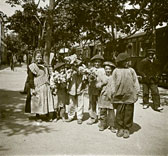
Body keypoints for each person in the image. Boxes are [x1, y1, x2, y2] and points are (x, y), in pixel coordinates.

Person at [106, 53, 140, 138]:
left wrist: (137, 92)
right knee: (119, 112)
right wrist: (112, 92)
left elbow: (135, 81)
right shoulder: (116, 71)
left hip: (129, 95)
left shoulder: (131, 70)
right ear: (120, 62)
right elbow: (112, 83)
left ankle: (126, 128)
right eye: (125, 61)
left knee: (128, 112)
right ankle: (120, 128)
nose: (127, 63)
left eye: (128, 61)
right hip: (119, 95)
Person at [25, 51, 54, 121]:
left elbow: (48, 75)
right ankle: (37, 115)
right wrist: (32, 88)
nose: (39, 58)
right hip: (37, 86)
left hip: (46, 86)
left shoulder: (45, 65)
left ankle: (46, 114)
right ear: (34, 57)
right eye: (37, 57)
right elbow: (30, 78)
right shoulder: (32, 66)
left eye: (40, 57)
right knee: (38, 101)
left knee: (46, 100)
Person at [66, 59, 87, 124]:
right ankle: (70, 116)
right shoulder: (69, 69)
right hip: (72, 87)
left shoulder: (81, 67)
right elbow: (67, 78)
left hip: (79, 87)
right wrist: (69, 73)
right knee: (71, 103)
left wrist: (75, 68)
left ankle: (79, 117)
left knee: (80, 103)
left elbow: (81, 72)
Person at [97, 61, 116, 132]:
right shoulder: (102, 77)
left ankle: (112, 125)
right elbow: (97, 85)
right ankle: (102, 124)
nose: (108, 70)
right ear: (104, 70)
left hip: (111, 97)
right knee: (102, 111)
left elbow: (115, 86)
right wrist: (102, 83)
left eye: (109, 69)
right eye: (106, 69)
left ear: (112, 70)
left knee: (111, 112)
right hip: (103, 97)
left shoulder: (114, 77)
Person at [87, 54, 105, 125]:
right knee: (92, 103)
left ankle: (101, 118)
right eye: (95, 62)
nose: (97, 63)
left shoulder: (103, 70)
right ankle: (93, 117)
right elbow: (87, 79)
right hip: (92, 88)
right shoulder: (91, 70)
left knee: (100, 104)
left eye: (98, 62)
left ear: (101, 63)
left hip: (100, 89)